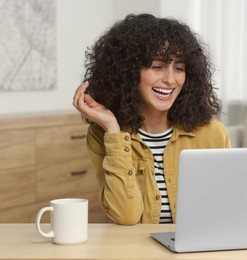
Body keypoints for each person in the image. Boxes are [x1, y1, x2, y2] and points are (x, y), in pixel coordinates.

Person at [72, 13, 231, 225]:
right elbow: (126, 216)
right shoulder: (103, 135)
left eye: (179, 68)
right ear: (128, 72)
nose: (170, 79)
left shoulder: (212, 133)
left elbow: (226, 209)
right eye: (157, 66)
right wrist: (113, 130)